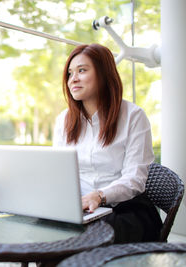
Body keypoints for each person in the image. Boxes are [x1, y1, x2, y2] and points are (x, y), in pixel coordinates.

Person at [53, 43, 162, 243]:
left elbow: (135, 178)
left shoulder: (133, 116)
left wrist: (99, 196)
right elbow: (58, 173)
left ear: (103, 74)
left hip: (124, 209)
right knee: (43, 229)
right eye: (70, 73)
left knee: (80, 237)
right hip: (80, 207)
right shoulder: (64, 120)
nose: (73, 79)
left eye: (82, 70)